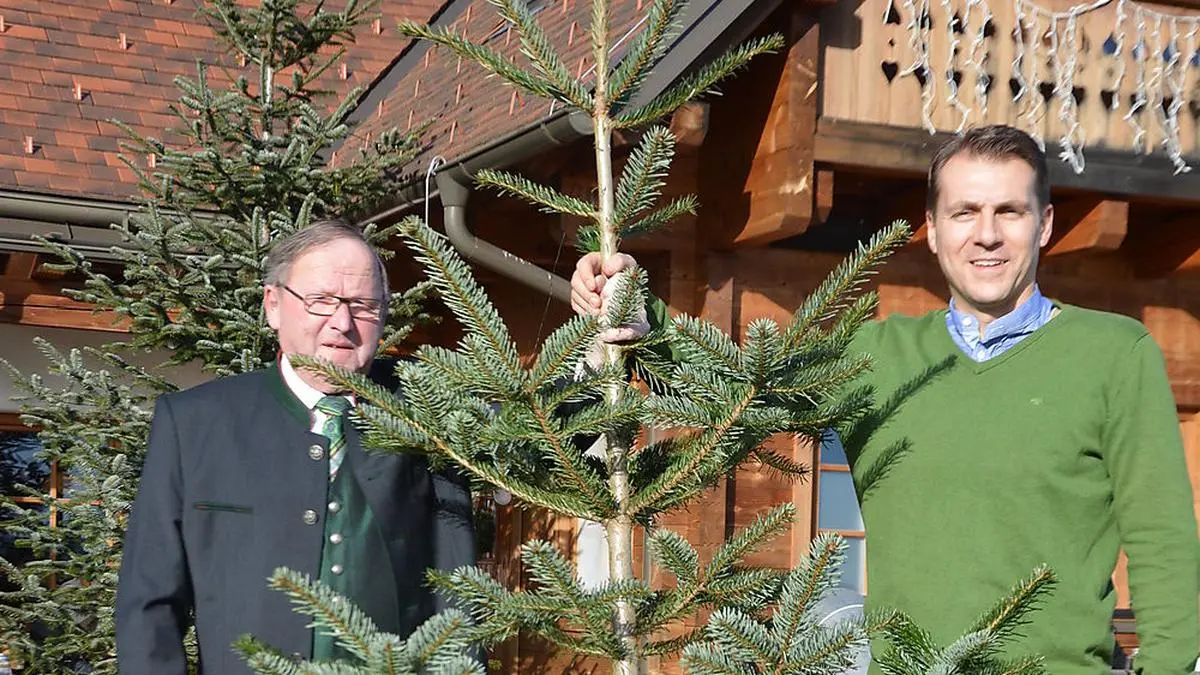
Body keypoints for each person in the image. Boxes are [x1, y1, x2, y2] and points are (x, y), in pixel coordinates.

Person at [570, 125, 1200, 674]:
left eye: (1009, 211)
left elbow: (1163, 540)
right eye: (964, 212)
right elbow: (748, 390)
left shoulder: (1115, 354)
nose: (987, 235)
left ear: (1045, 223)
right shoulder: (875, 356)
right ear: (932, 230)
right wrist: (641, 313)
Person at [116, 219, 477, 673]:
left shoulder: (432, 409)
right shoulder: (195, 425)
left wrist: (594, 318)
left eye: (363, 305)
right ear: (273, 305)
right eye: (322, 301)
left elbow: (549, 424)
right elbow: (149, 603)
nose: (342, 323)